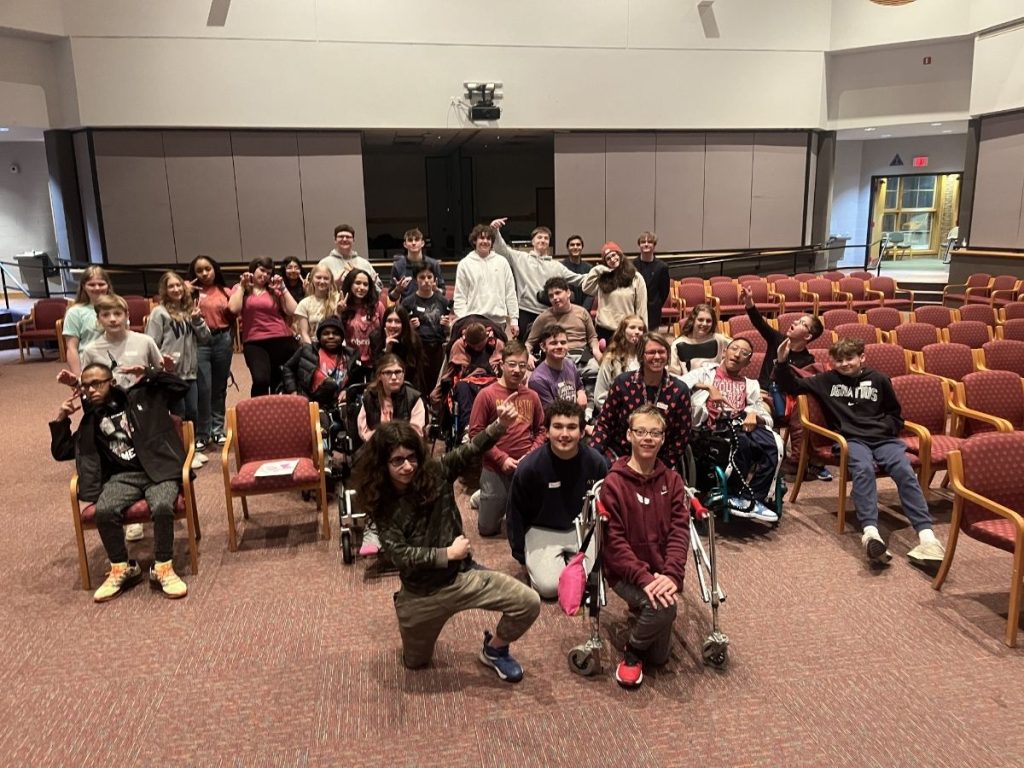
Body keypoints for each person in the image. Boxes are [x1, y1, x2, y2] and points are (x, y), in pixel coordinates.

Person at [349, 400, 541, 681]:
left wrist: (499, 426)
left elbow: (470, 450)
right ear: (382, 463)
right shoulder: (383, 504)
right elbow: (399, 554)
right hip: (421, 594)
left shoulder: (436, 472)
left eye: (412, 457)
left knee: (528, 601)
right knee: (415, 664)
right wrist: (447, 553)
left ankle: (495, 651)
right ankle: (404, 607)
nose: (407, 467)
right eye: (397, 460)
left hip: (461, 577)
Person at [775, 337, 946, 567]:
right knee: (863, 470)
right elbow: (792, 387)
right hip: (852, 440)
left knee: (905, 471)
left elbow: (895, 414)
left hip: (884, 440)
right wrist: (782, 362)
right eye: (839, 360)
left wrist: (886, 428)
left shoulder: (879, 379)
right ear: (832, 362)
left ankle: (927, 537)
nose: (845, 364)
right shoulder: (826, 380)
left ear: (862, 358)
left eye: (850, 358)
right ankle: (870, 532)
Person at [49, 363, 190, 602]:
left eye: (97, 384)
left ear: (112, 383)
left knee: (163, 506)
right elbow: (62, 451)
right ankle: (122, 567)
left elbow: (181, 388)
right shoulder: (90, 422)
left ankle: (163, 567)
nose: (91, 390)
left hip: (157, 470)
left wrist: (150, 372)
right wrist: (61, 419)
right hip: (121, 478)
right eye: (86, 386)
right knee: (104, 510)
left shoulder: (140, 397)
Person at [601, 404, 690, 689]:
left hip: (662, 574)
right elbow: (614, 544)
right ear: (629, 436)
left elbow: (679, 532)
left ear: (663, 438)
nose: (648, 438)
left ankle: (645, 621)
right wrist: (645, 579)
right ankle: (633, 651)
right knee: (665, 610)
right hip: (625, 574)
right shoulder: (614, 483)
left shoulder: (673, 481)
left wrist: (672, 575)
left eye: (655, 433)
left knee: (661, 658)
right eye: (641, 432)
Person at [506, 401, 607, 598]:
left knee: (595, 579)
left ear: (582, 432)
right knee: (550, 588)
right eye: (558, 426)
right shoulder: (529, 468)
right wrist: (519, 551)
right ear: (547, 431)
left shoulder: (596, 463)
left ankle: (570, 562)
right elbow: (515, 512)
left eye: (571, 427)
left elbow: (606, 508)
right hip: (542, 529)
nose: (564, 434)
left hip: (582, 528)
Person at [682, 337, 781, 523]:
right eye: (734, 348)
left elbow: (760, 407)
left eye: (744, 353)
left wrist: (754, 414)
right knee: (741, 442)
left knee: (773, 444)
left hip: (743, 422)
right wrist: (707, 387)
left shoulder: (750, 384)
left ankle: (754, 498)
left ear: (748, 361)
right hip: (714, 428)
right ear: (725, 351)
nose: (737, 354)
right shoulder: (704, 373)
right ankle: (735, 493)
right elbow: (676, 383)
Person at [739, 284, 832, 482]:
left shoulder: (808, 361)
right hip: (764, 393)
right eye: (798, 319)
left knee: (806, 409)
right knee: (762, 411)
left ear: (807, 336)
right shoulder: (777, 340)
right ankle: (770, 458)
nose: (795, 322)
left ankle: (801, 460)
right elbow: (759, 323)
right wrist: (749, 303)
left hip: (788, 399)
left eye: (802, 323)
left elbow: (796, 387)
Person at [467, 341, 546, 537]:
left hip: (526, 465)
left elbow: (542, 430)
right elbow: (476, 433)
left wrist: (530, 455)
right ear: (501, 365)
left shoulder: (533, 396)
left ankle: (498, 497)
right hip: (495, 467)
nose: (517, 370)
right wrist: (501, 459)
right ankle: (482, 496)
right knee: (487, 529)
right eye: (511, 364)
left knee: (533, 525)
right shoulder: (486, 395)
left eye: (522, 365)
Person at [592, 332, 692, 473]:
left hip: (660, 457)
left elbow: (682, 436)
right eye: (651, 352)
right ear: (641, 356)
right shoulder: (623, 382)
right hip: (621, 453)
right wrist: (593, 455)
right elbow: (605, 423)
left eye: (661, 352)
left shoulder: (679, 390)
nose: (657, 357)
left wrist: (661, 466)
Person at [145, 271, 212, 468]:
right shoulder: (159, 313)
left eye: (179, 286)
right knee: (178, 413)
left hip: (190, 371)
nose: (176, 289)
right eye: (171, 286)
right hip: (170, 375)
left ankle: (191, 450)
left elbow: (206, 338)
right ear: (165, 290)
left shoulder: (190, 310)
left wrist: (197, 321)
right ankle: (179, 454)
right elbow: (151, 343)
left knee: (192, 412)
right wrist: (159, 366)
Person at [490, 218, 584, 341]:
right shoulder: (520, 258)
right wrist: (495, 230)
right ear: (533, 241)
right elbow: (502, 249)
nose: (542, 240)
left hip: (548, 311)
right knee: (524, 345)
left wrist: (601, 274)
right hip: (525, 310)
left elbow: (578, 279)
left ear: (549, 242)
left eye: (546, 238)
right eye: (539, 237)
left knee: (548, 345)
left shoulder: (556, 266)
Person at [227, 256, 298, 397]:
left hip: (281, 339)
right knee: (261, 380)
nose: (265, 275)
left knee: (278, 382)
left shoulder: (274, 290)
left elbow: (294, 310)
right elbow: (234, 309)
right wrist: (242, 286)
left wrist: (283, 289)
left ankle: (279, 417)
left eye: (269, 273)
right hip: (254, 342)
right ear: (253, 269)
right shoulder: (241, 288)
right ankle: (258, 417)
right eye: (262, 270)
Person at [186, 255, 234, 449]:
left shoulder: (225, 290)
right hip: (199, 341)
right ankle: (202, 432)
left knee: (219, 387)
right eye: (200, 270)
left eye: (208, 269)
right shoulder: (190, 291)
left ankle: (217, 429)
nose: (205, 273)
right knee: (203, 388)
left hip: (222, 338)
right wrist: (185, 291)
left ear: (215, 269)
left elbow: (233, 313)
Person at [78, 294, 167, 391]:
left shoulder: (146, 341)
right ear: (98, 319)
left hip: (142, 398)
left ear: (127, 316)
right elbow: (86, 383)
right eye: (105, 315)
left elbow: (161, 373)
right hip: (109, 401)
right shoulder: (91, 350)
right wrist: (75, 383)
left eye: (117, 314)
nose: (112, 319)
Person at [452, 224, 519, 340]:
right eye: (481, 238)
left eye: (488, 239)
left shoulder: (502, 262)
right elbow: (460, 296)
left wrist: (514, 320)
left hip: (498, 321)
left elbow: (510, 293)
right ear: (474, 241)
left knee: (496, 356)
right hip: (474, 321)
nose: (485, 241)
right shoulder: (465, 264)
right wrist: (464, 320)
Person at [524, 276, 602, 376]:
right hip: (558, 358)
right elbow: (529, 343)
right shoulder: (543, 317)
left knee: (600, 370)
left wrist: (596, 351)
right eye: (551, 296)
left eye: (558, 293)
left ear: (568, 293)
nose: (555, 298)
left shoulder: (582, 312)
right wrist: (528, 355)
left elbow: (592, 337)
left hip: (583, 358)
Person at [281, 315, 356, 407]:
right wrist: (293, 392)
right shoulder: (307, 350)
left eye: (335, 333)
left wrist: (347, 391)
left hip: (338, 404)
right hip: (310, 401)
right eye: (326, 333)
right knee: (330, 385)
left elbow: (356, 380)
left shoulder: (351, 355)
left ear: (342, 337)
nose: (331, 336)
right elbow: (288, 368)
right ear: (319, 337)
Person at [402, 263, 453, 395]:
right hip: (417, 349)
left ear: (435, 280)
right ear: (415, 280)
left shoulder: (443, 301)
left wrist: (447, 326)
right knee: (419, 385)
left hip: (437, 349)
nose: (426, 281)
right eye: (422, 277)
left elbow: (448, 331)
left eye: (429, 277)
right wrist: (410, 328)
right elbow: (401, 330)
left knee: (436, 384)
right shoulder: (407, 302)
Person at [582, 241, 648, 342]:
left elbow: (641, 308)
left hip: (626, 330)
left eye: (614, 255)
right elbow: (586, 288)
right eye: (608, 258)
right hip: (604, 329)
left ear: (620, 255)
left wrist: (643, 331)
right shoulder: (603, 278)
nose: (612, 259)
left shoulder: (636, 277)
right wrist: (597, 269)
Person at [357, 354, 426, 443]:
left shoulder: (414, 398)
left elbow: (416, 432)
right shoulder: (370, 397)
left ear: (403, 374)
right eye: (388, 373)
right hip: (376, 447)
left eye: (398, 372)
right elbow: (364, 432)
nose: (394, 377)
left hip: (405, 448)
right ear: (379, 376)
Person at [62, 265, 114, 378]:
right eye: (91, 284)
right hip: (89, 367)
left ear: (108, 285)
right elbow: (72, 348)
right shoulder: (75, 312)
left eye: (101, 284)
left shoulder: (117, 309)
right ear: (83, 287)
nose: (97, 288)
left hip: (115, 365)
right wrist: (78, 377)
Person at [339, 267, 387, 380]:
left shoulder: (378, 306)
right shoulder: (341, 306)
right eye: (358, 283)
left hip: (375, 361)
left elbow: (386, 329)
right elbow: (336, 334)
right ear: (350, 284)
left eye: (365, 284)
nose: (362, 288)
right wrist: (338, 313)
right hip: (351, 362)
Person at [527, 326, 586, 411]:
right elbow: (551, 415)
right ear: (543, 347)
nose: (559, 346)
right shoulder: (537, 380)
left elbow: (579, 386)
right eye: (554, 343)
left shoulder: (570, 364)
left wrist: (581, 393)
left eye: (563, 342)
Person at [370, 305, 426, 394]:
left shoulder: (413, 340)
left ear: (404, 324)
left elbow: (412, 371)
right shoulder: (376, 338)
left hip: (407, 386)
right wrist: (387, 351)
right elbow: (376, 370)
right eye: (389, 321)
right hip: (382, 386)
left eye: (397, 321)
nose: (393, 325)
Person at [594, 314, 646, 410]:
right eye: (632, 327)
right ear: (623, 331)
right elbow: (599, 397)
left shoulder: (645, 358)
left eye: (640, 329)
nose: (637, 332)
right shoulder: (611, 359)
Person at [668, 304, 730, 376]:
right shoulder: (678, 344)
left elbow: (738, 346)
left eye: (708, 321)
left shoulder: (719, 339)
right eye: (700, 320)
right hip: (689, 384)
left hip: (715, 383)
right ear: (693, 320)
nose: (704, 324)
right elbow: (673, 374)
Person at [319, 223, 382, 292]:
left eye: (348, 237)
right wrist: (334, 285)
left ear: (353, 240)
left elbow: (379, 290)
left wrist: (371, 286)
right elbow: (316, 290)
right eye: (341, 236)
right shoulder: (324, 263)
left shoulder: (364, 264)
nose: (345, 239)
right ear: (335, 240)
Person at [388, 228, 445, 302]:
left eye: (417, 239)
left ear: (422, 243)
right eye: (410, 240)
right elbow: (392, 298)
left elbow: (443, 292)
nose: (414, 243)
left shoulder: (433, 264)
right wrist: (397, 290)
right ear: (405, 244)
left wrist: (436, 290)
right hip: (407, 308)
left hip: (430, 308)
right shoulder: (398, 266)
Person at [294, 264, 340, 344]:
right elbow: (304, 333)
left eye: (326, 278)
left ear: (331, 281)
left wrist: (340, 311)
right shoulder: (304, 303)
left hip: (335, 345)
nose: (322, 281)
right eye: (318, 277)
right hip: (313, 346)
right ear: (312, 279)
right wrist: (312, 352)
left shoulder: (338, 299)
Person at [634, 231, 670, 330]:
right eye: (643, 242)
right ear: (639, 245)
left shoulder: (662, 267)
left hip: (653, 310)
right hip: (635, 309)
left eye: (649, 242)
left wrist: (656, 304)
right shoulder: (632, 265)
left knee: (652, 341)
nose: (646, 244)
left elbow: (664, 291)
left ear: (654, 245)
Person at [562, 234, 592, 310]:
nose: (575, 247)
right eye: (572, 245)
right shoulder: (561, 267)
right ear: (568, 248)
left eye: (578, 245)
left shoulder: (589, 268)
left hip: (585, 309)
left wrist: (584, 310)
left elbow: (591, 292)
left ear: (582, 247)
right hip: (566, 309)